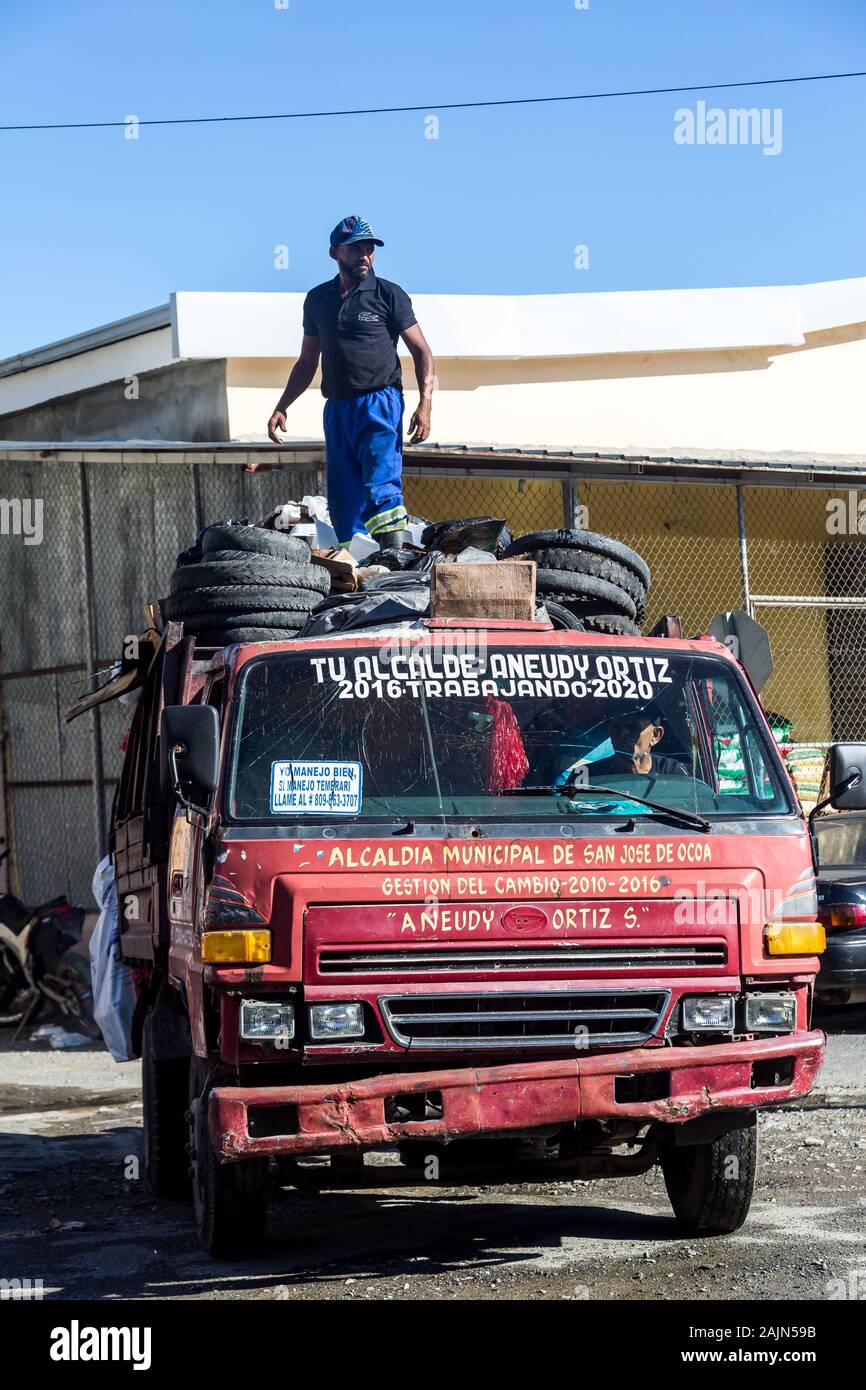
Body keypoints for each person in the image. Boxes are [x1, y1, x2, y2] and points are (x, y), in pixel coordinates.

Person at [267, 215, 435, 548]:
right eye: (355, 248)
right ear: (335, 253)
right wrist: (282, 406)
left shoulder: (388, 294)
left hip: (380, 403)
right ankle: (353, 570)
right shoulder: (318, 300)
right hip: (337, 409)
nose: (365, 255)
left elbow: (423, 352)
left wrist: (425, 405)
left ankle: (395, 557)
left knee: (380, 485)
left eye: (370, 248)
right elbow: (306, 362)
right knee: (344, 497)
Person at [589, 708, 688, 779]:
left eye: (633, 728)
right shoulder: (589, 776)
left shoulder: (673, 773)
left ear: (656, 735)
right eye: (616, 728)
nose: (623, 734)